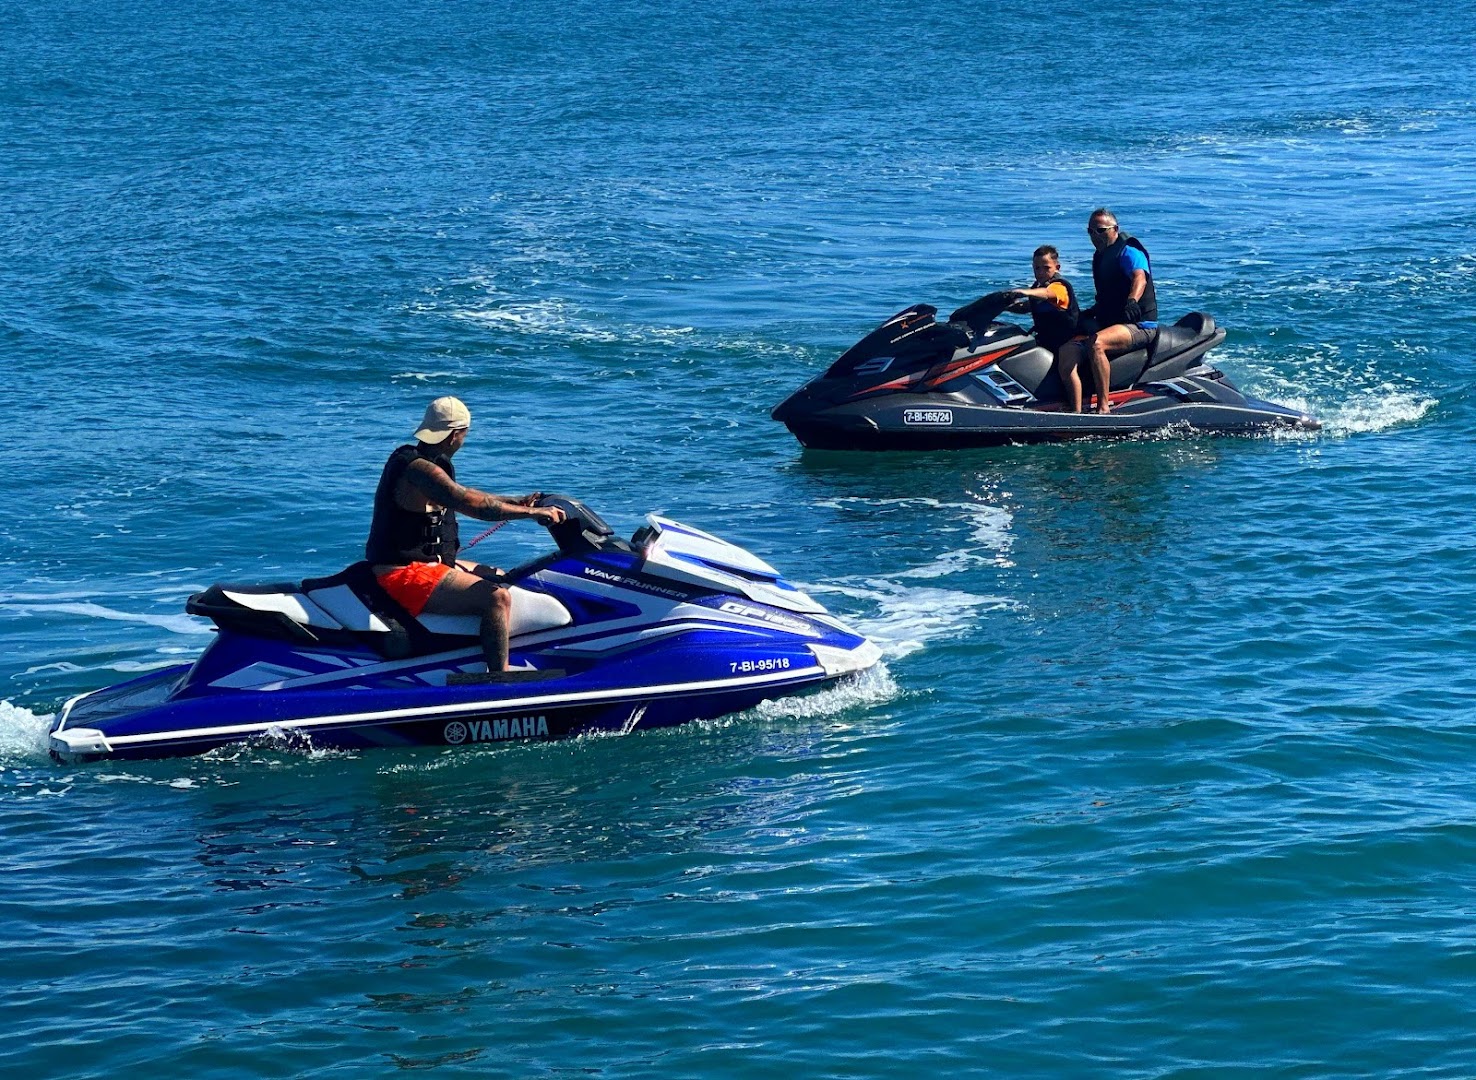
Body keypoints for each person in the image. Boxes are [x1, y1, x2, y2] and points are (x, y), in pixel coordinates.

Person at [365, 396, 566, 675]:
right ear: (454, 435)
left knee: (503, 576)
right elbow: (470, 503)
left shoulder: (429, 462)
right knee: (497, 598)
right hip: (403, 573)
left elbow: (473, 495)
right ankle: (499, 675)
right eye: (465, 434)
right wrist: (529, 514)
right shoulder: (417, 469)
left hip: (429, 565)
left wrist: (519, 501)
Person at [1055, 209, 1158, 414]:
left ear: (1115, 229)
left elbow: (1139, 278)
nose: (1096, 236)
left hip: (1138, 325)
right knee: (1067, 348)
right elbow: (1108, 296)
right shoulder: (1100, 256)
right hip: (1111, 323)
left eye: (1101, 230)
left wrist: (1132, 302)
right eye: (1091, 231)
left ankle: (1104, 407)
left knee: (1096, 343)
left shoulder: (1129, 252)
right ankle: (1074, 411)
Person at [1006, 245, 1080, 356]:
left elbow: (1048, 294)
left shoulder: (1059, 287)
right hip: (1047, 340)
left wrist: (1025, 292)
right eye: (1037, 268)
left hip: (1070, 340)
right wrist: (1004, 306)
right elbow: (1026, 307)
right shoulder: (1037, 287)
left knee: (1066, 368)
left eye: (1046, 268)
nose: (1041, 272)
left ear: (1057, 267)